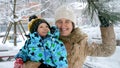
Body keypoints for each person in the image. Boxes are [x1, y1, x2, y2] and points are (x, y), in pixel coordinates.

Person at [23, 5, 116, 68]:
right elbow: (26, 62)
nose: (63, 25)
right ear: (55, 24)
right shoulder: (45, 40)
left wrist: (106, 26)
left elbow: (107, 50)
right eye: (60, 22)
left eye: (67, 21)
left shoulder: (82, 42)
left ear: (73, 24)